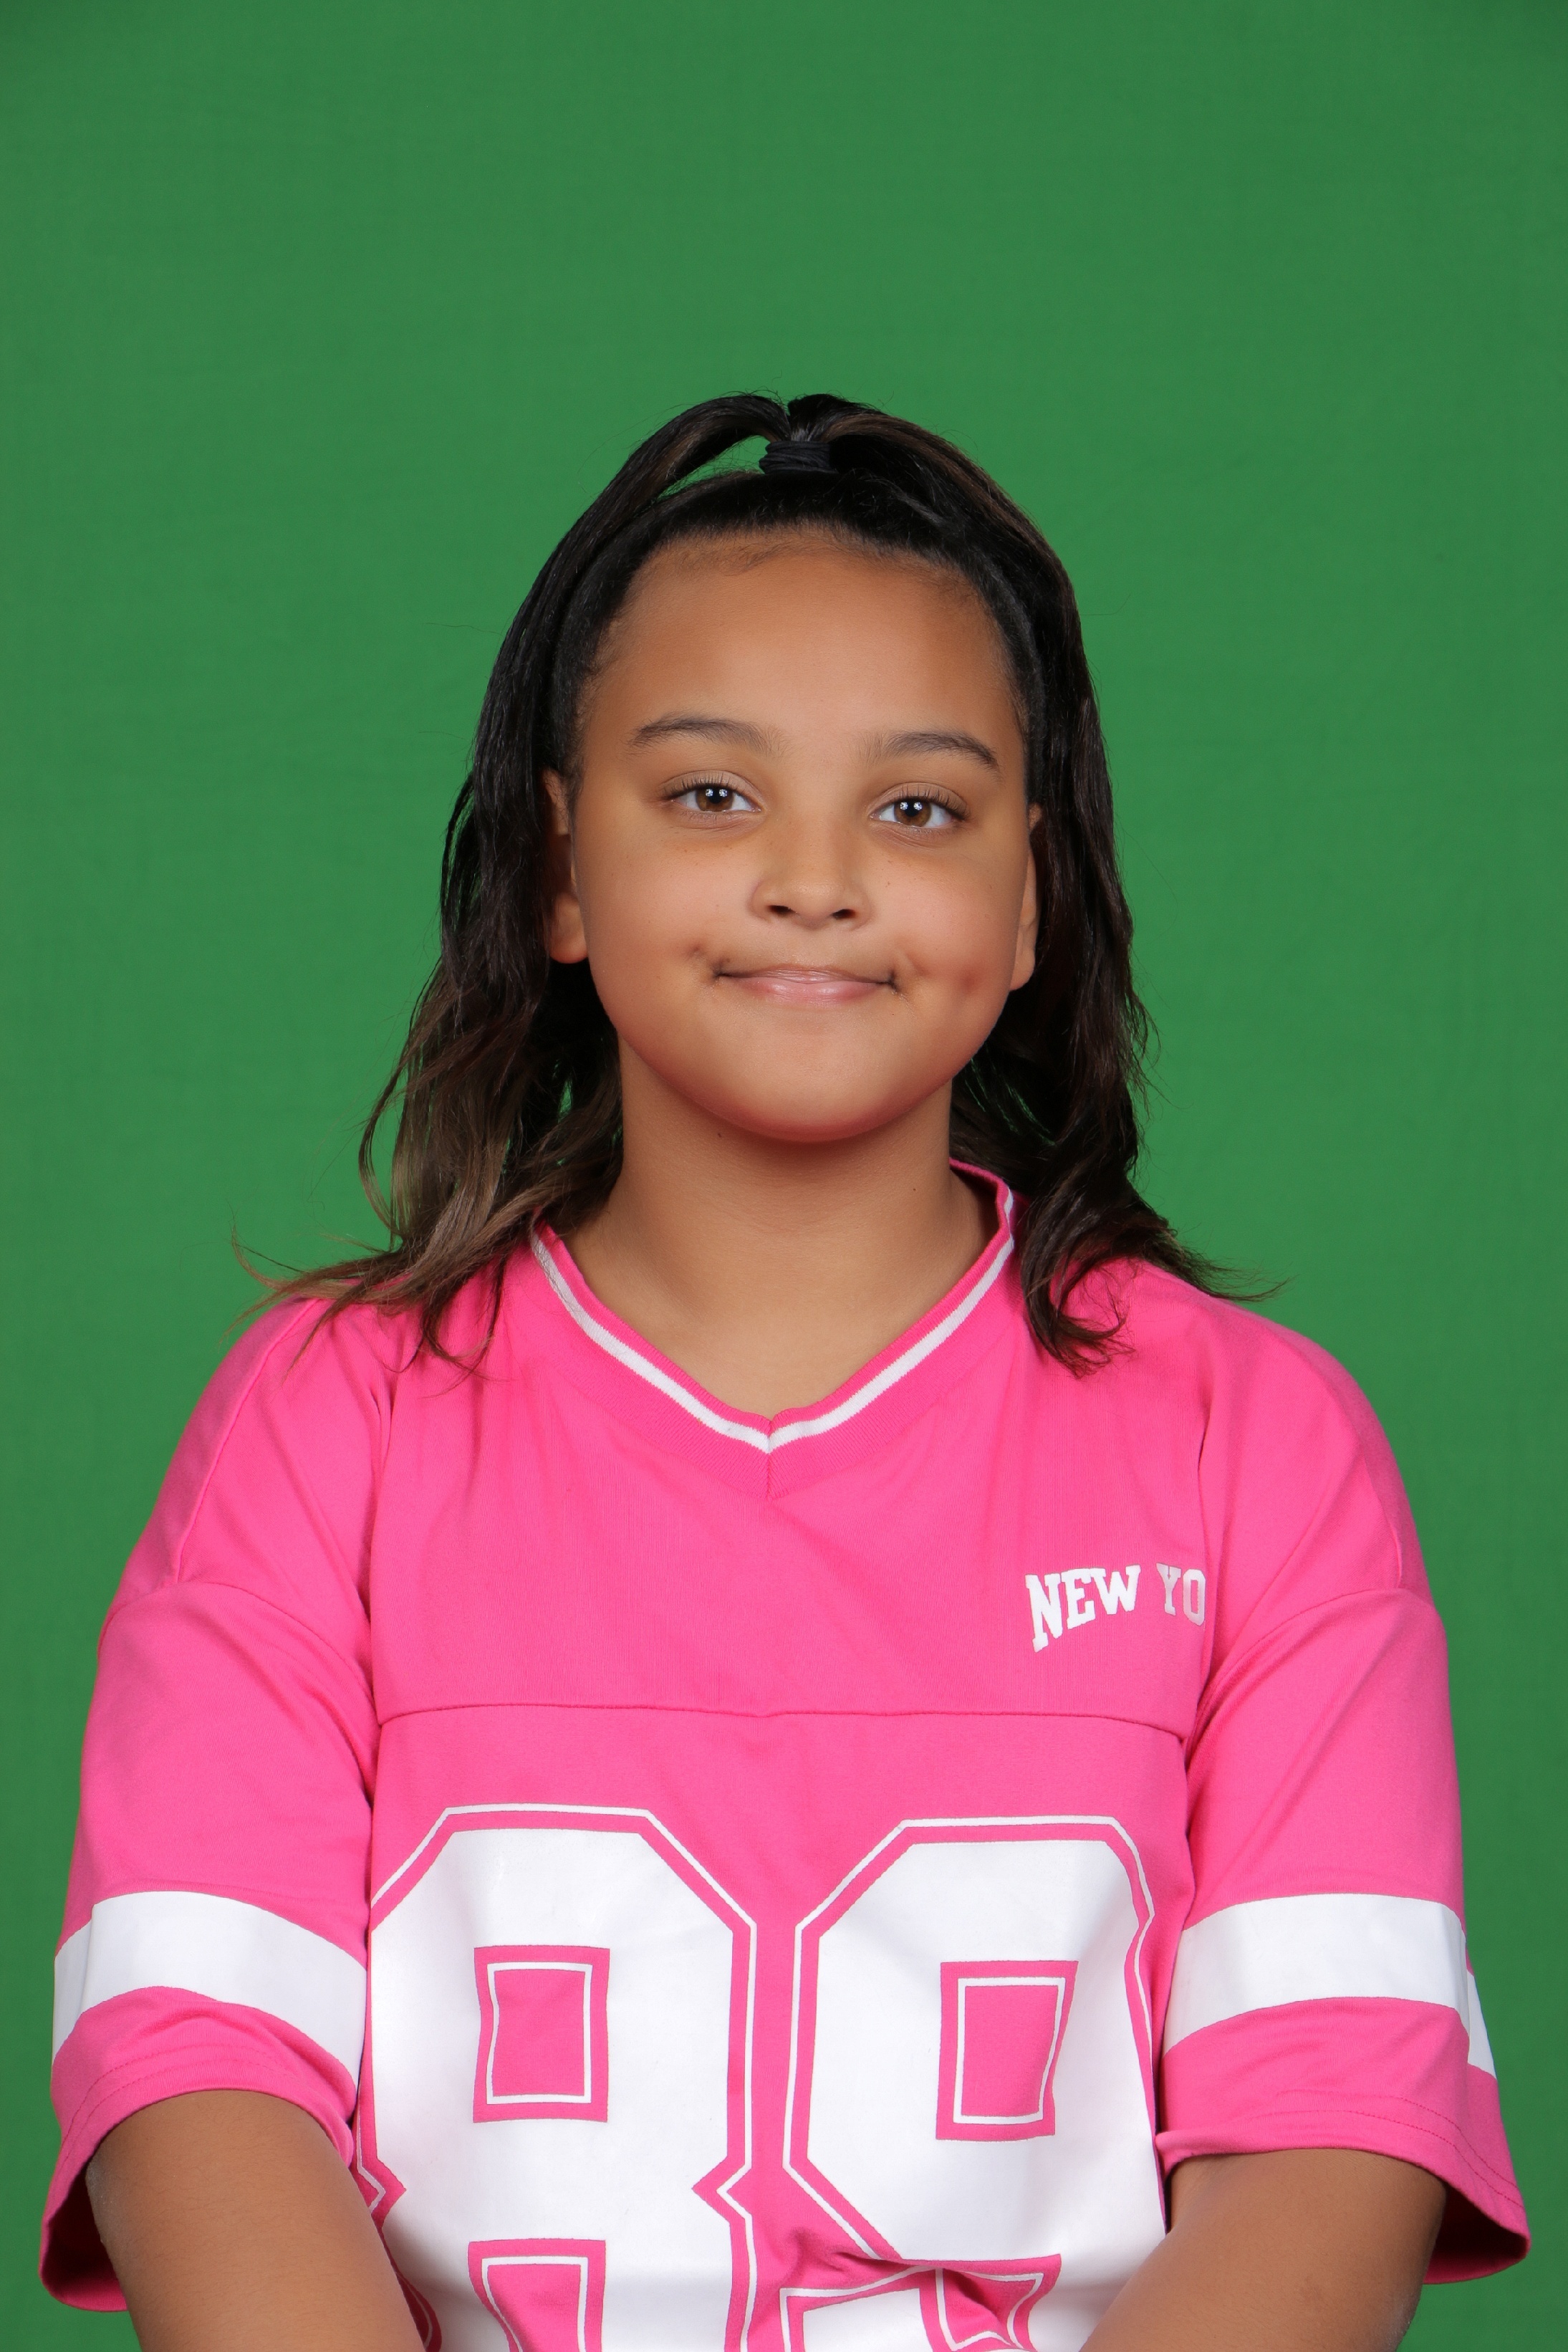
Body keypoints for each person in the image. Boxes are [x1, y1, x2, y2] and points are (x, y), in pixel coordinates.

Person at [44, 394, 1526, 2351]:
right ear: (561, 870)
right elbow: (196, 2076)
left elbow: (1333, 2133)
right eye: (711, 795)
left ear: (1030, 897)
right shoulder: (332, 1421)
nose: (813, 878)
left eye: (918, 810)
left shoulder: (1255, 1441)